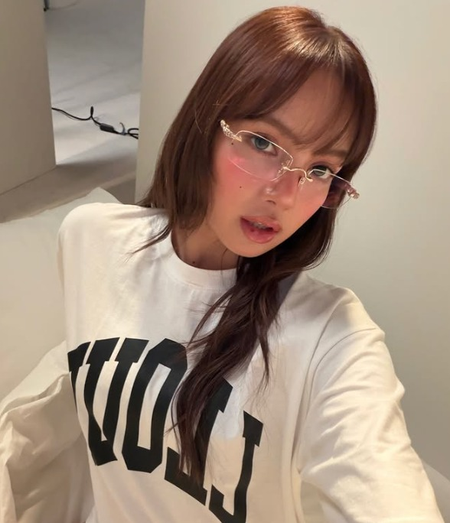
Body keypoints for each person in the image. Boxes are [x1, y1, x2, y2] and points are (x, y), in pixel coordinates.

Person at [57, 6, 444, 523]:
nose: (286, 194)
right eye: (264, 143)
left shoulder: (332, 338)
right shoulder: (87, 238)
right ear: (205, 123)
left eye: (321, 169)